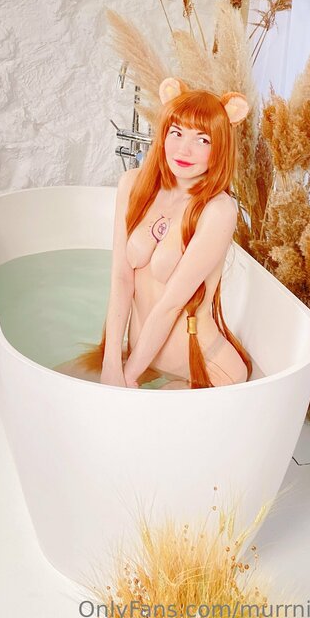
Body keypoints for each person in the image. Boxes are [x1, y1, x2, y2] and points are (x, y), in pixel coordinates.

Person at [54, 77, 253, 390]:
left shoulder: (218, 210)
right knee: (54, 381)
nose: (184, 149)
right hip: (141, 356)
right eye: (176, 133)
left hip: (205, 369)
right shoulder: (134, 185)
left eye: (202, 140)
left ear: (220, 147)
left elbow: (170, 306)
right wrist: (111, 365)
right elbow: (121, 279)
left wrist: (128, 376)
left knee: (131, 419)